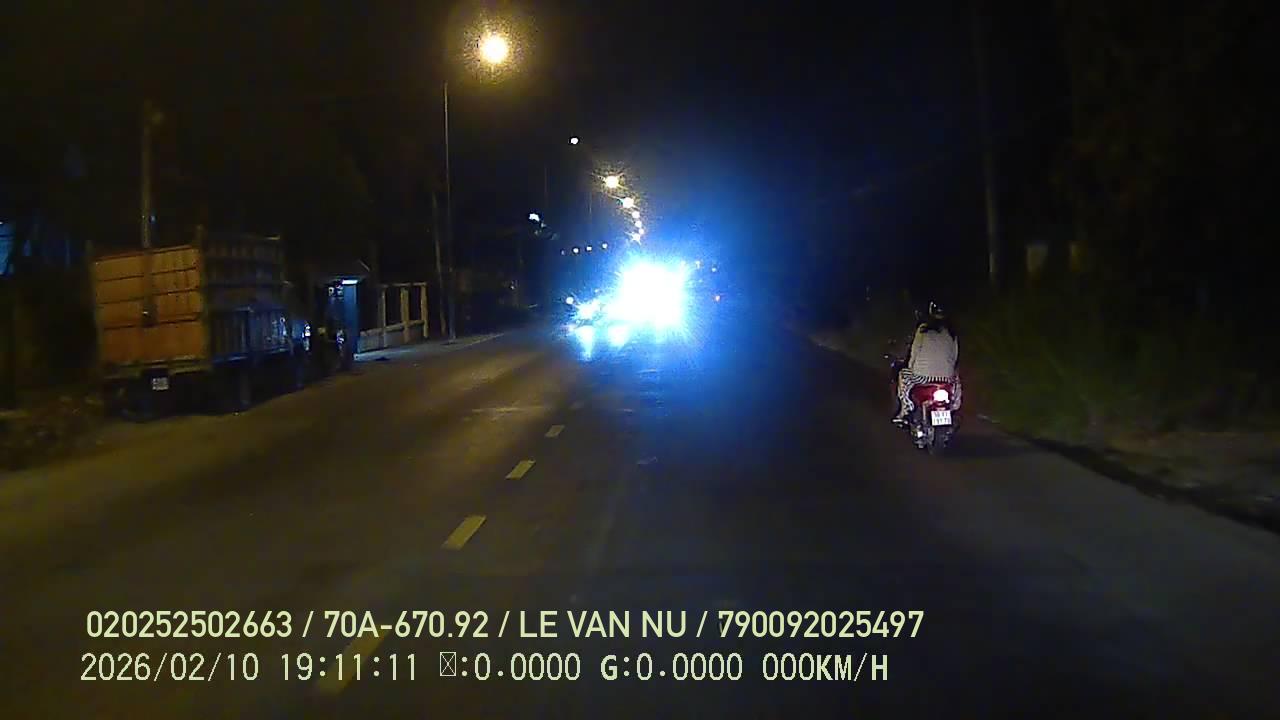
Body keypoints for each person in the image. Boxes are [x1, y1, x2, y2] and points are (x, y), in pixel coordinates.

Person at [893, 302, 961, 425]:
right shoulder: (951, 332)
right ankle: (954, 406)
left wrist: (911, 367)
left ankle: (906, 409)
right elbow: (955, 356)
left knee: (903, 375)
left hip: (922, 376)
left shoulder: (923, 329)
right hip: (946, 378)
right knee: (956, 380)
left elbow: (914, 352)